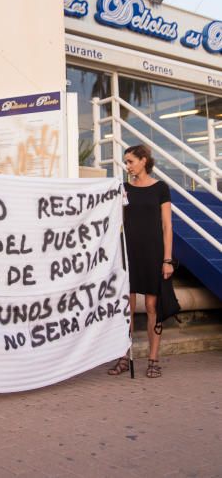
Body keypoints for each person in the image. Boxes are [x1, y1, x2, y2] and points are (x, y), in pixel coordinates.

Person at [108, 144, 173, 379]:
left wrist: (168, 259)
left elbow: (167, 226)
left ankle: (153, 359)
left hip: (154, 254)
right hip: (129, 254)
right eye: (126, 162)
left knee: (152, 307)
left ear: (143, 160)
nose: (127, 166)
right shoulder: (123, 189)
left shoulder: (161, 188)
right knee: (127, 308)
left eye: (130, 161)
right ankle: (125, 356)